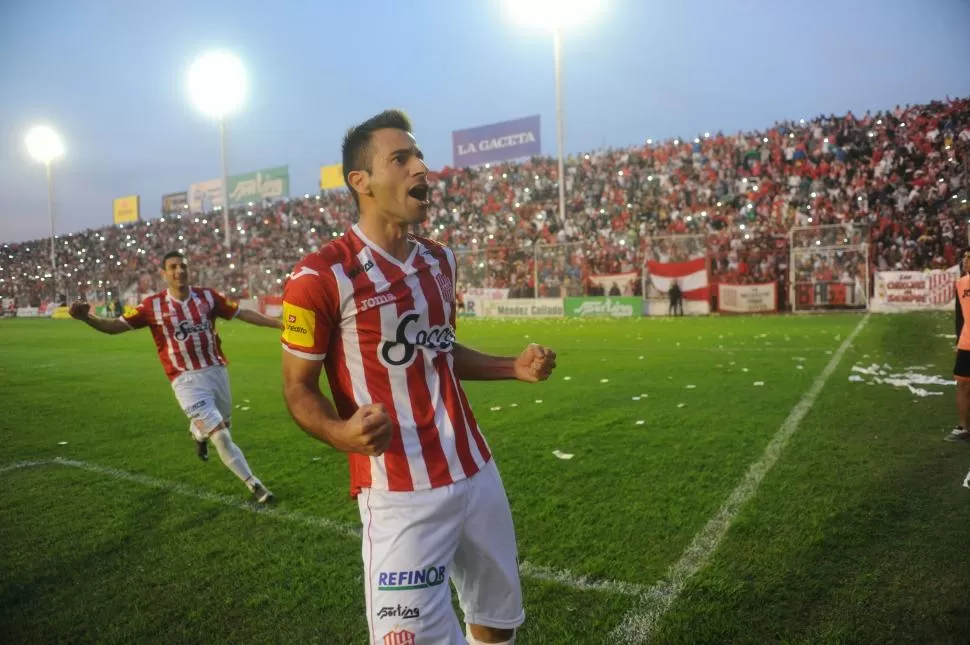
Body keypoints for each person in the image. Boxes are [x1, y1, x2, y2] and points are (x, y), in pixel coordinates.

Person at [280, 110, 557, 645]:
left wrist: (509, 367)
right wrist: (340, 434)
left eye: (420, 156)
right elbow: (298, 388)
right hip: (399, 489)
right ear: (360, 182)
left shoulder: (440, 261)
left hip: (476, 472)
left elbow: (441, 353)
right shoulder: (320, 276)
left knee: (497, 622)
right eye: (401, 158)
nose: (421, 167)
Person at [68, 250, 281, 503]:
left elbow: (242, 313)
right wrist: (86, 318)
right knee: (222, 436)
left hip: (216, 372)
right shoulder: (152, 306)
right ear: (164, 273)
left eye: (182, 266)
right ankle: (255, 485)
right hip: (185, 380)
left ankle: (198, 434)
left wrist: (279, 324)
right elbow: (114, 327)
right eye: (173, 267)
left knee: (220, 425)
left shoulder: (208, 297)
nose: (179, 271)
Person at [949, 251, 970, 443]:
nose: (966, 261)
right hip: (966, 342)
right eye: (964, 258)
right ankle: (964, 427)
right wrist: (958, 340)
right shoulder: (961, 283)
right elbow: (959, 317)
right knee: (962, 384)